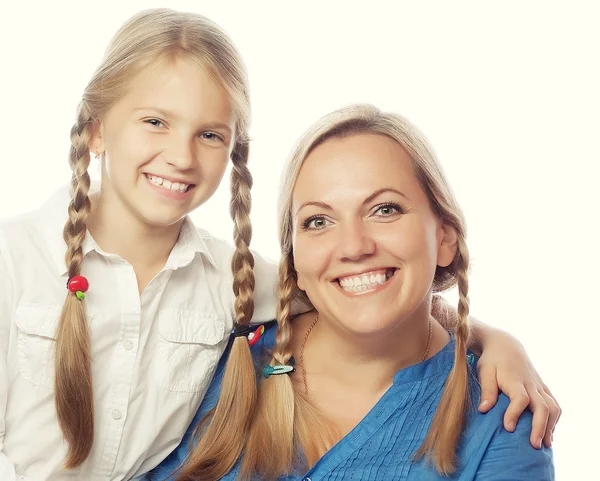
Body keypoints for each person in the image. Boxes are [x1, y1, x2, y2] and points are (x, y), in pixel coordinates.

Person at [0, 9, 557, 481]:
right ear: (95, 129)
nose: (181, 155)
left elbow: (366, 294)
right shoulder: (15, 263)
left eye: (210, 134)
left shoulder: (237, 286)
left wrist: (493, 340)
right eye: (154, 121)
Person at [154, 105, 555, 480]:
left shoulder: (501, 424)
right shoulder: (217, 354)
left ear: (445, 237)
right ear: (295, 266)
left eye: (385, 210)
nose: (353, 247)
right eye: (318, 221)